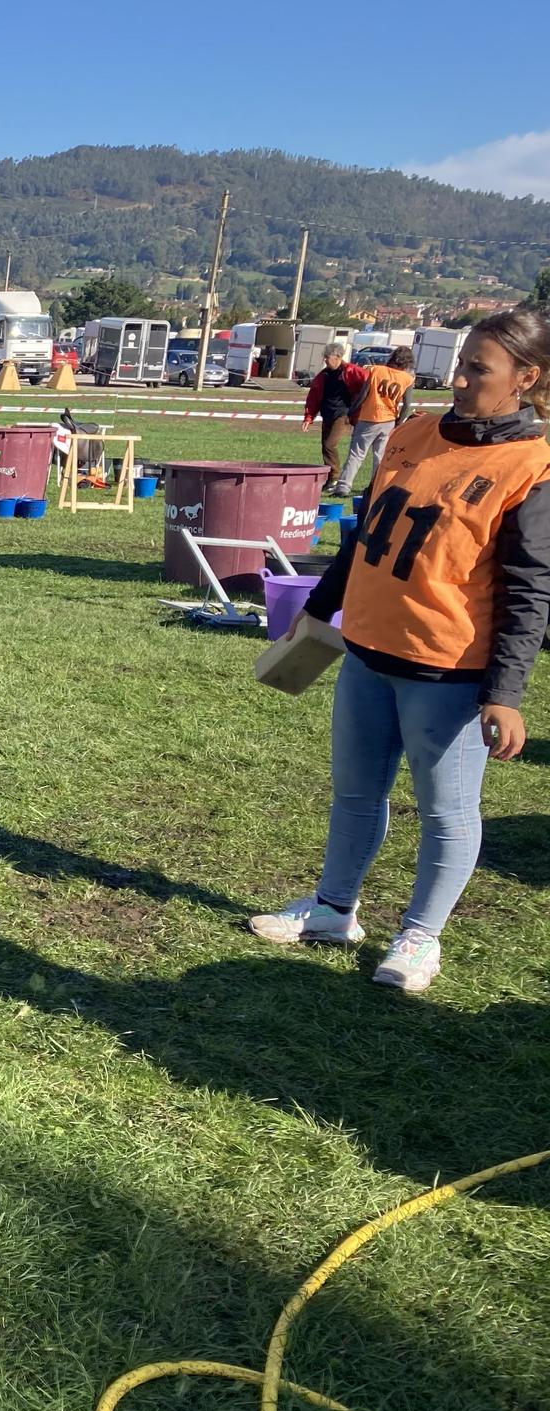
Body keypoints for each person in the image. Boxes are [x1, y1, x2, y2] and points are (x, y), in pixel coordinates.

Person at [249, 308, 550, 992]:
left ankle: (420, 936)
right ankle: (332, 910)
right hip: (367, 653)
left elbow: (531, 590)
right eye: (462, 361)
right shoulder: (413, 431)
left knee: (447, 811)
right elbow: (362, 538)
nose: (461, 376)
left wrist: (504, 693)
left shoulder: (532, 464)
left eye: (481, 368)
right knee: (356, 793)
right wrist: (317, 613)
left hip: (447, 673)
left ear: (526, 379)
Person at [334, 345, 416, 498]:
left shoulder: (376, 370)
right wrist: (398, 421)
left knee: (357, 454)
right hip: (389, 420)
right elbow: (407, 405)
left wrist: (351, 411)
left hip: (369, 417)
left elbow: (364, 394)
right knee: (380, 456)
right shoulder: (408, 379)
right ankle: (375, 488)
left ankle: (343, 487)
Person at [303, 341, 367, 480]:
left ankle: (334, 477)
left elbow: (369, 381)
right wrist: (309, 418)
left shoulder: (351, 371)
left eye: (327, 356)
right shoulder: (323, 375)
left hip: (343, 415)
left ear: (338, 357)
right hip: (327, 414)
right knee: (325, 446)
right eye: (324, 357)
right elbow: (313, 397)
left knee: (329, 444)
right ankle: (330, 477)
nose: (325, 359)